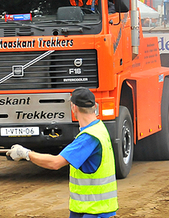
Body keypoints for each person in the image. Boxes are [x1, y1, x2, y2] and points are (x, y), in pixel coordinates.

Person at [7, 87, 118, 217]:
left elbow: (55, 163)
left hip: (94, 211)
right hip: (90, 209)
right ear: (95, 106)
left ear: (73, 107)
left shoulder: (88, 137)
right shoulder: (99, 128)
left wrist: (25, 153)